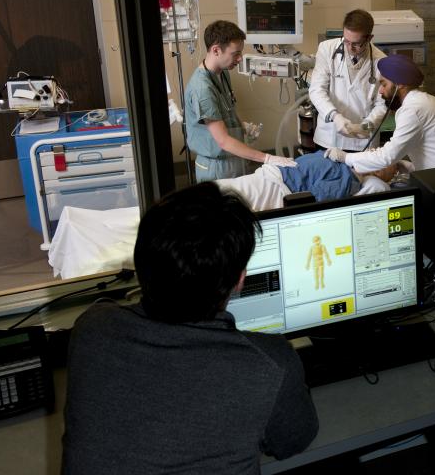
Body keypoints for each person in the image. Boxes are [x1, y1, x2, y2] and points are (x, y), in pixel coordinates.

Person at [62, 183, 318, 474]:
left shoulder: (90, 330)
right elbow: (293, 442)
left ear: (140, 263)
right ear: (239, 281)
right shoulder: (271, 363)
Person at [324, 54, 435, 181]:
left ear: (400, 85)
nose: (381, 91)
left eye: (383, 84)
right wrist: (405, 166)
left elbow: (387, 156)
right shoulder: (427, 101)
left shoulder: (413, 110)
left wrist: (345, 157)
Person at [185, 20, 296, 181]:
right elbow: (222, 141)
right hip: (216, 168)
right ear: (216, 50)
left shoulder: (222, 74)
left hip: (233, 160)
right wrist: (267, 158)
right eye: (235, 53)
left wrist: (240, 126)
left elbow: (223, 112)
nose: (239, 59)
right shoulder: (202, 89)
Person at [309, 9, 387, 151]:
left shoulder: (381, 61)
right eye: (346, 41)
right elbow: (316, 90)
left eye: (356, 44)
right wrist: (335, 116)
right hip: (329, 137)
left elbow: (382, 105)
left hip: (363, 142)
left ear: (369, 38)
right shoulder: (327, 49)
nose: (350, 48)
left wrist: (365, 127)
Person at [216, 152, 408, 210]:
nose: (376, 164)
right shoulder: (340, 157)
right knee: (221, 192)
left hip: (278, 188)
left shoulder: (349, 181)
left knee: (230, 206)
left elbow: (315, 199)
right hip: (271, 174)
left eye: (382, 170)